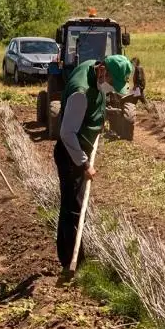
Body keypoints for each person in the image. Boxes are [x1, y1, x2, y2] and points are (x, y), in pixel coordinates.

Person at [54, 55, 130, 283]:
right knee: (74, 209)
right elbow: (67, 134)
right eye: (111, 83)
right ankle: (75, 262)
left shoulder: (90, 66)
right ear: (102, 71)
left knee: (70, 206)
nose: (112, 89)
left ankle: (67, 257)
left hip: (78, 148)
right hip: (71, 155)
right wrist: (84, 164)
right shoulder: (81, 93)